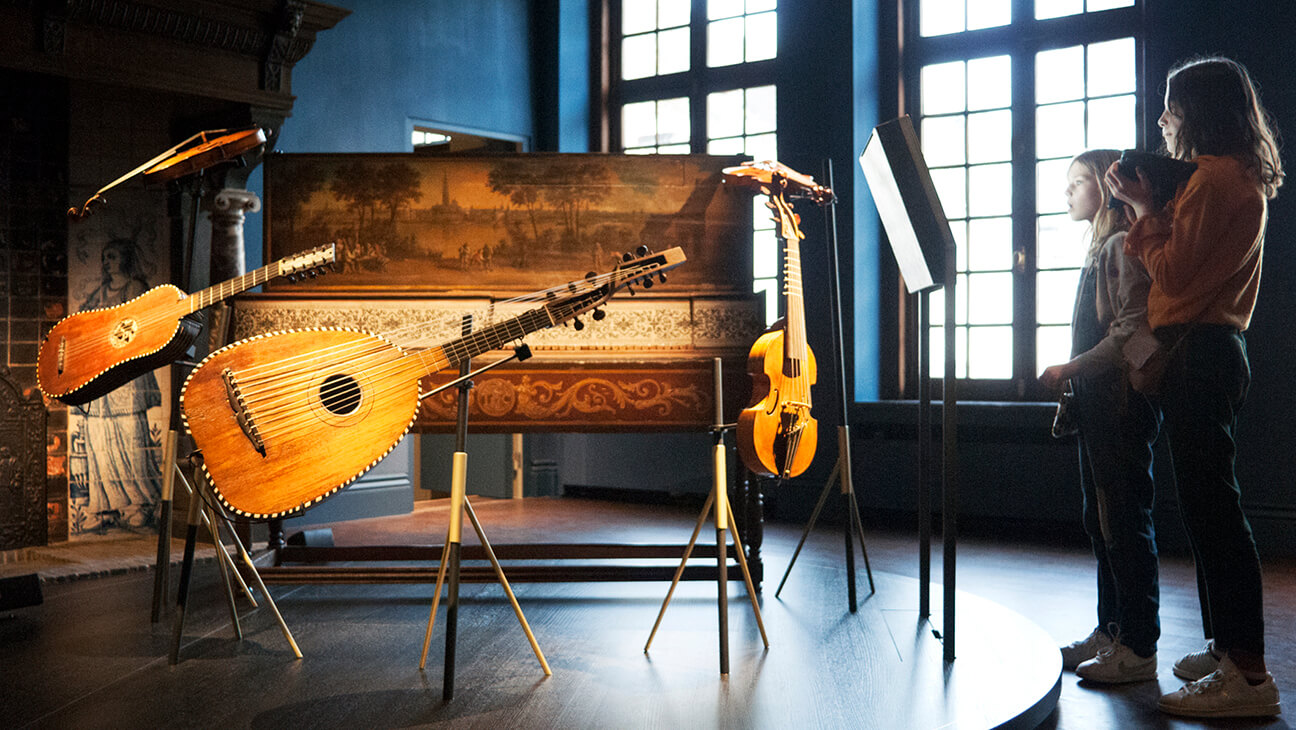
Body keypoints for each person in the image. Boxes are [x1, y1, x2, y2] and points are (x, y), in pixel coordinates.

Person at [1106, 55, 1283, 718]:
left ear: (1197, 112)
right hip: (1218, 350)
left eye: (1171, 107)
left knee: (1215, 515)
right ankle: (1229, 647)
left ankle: (1249, 674)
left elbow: (1175, 278)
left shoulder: (1212, 180)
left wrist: (1143, 213)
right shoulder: (1240, 176)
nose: (1164, 120)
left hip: (1200, 352)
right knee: (1213, 511)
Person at [1040, 149, 1161, 683]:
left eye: (1077, 182)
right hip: (1098, 406)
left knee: (1124, 521)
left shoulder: (1119, 245)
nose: (1067, 192)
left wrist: (1069, 368)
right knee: (1100, 519)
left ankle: (1138, 643)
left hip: (1119, 404)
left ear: (1106, 188)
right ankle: (1110, 629)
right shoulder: (1099, 249)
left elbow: (1132, 332)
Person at [69, 238, 165, 533]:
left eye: (112, 257)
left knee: (130, 441)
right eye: (104, 257)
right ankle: (104, 505)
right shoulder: (100, 292)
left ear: (124, 259)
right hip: (102, 373)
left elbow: (134, 326)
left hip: (126, 376)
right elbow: (88, 322)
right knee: (100, 440)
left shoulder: (135, 288)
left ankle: (139, 503)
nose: (107, 262)